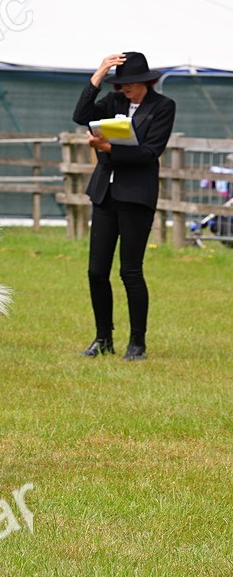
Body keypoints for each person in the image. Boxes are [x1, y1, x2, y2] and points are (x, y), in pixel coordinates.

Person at [72, 52, 176, 361]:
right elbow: (81, 115)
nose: (125, 87)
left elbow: (150, 152)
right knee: (96, 271)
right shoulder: (113, 101)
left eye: (130, 82)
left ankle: (137, 343)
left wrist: (108, 147)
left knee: (130, 271)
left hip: (136, 197)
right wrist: (99, 73)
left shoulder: (163, 106)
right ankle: (103, 338)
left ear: (145, 81)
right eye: (121, 82)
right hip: (105, 194)